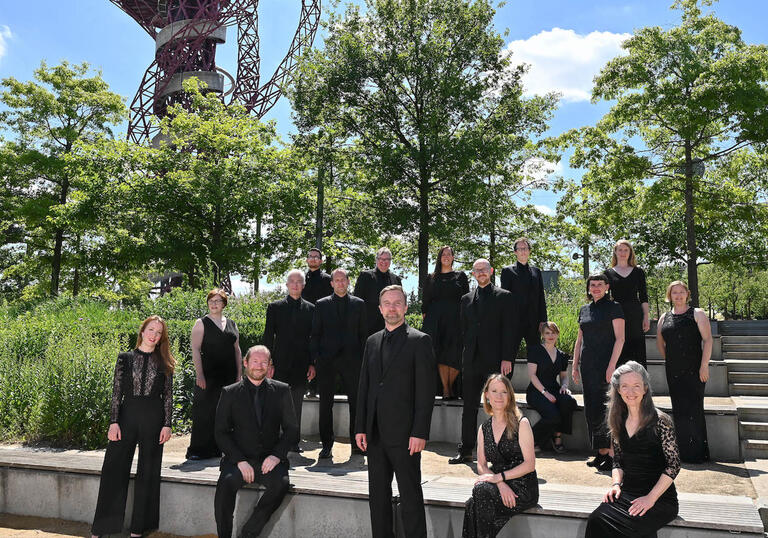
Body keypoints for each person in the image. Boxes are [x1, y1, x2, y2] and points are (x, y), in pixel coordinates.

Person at [355, 285, 437, 538]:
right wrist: (360, 427)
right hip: (375, 434)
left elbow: (426, 391)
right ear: (380, 309)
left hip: (406, 436)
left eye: (397, 302)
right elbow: (365, 387)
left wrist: (420, 431)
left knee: (410, 496)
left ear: (405, 307)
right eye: (387, 303)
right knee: (377, 498)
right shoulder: (371, 341)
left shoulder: (420, 341)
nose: (392, 307)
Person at [91, 316, 175, 538]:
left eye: (158, 332)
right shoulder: (125, 358)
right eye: (150, 329)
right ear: (142, 331)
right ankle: (101, 528)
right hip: (126, 417)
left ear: (161, 338)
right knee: (113, 469)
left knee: (148, 472)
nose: (153, 334)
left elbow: (168, 396)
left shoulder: (165, 362)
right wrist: (113, 421)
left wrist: (167, 424)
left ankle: (138, 529)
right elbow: (116, 392)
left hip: (154, 420)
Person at [585, 361, 680, 537]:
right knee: (596, 520)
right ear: (618, 391)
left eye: (636, 386)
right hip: (628, 492)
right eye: (625, 386)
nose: (631, 392)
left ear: (645, 388)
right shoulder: (618, 420)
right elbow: (618, 461)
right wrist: (615, 485)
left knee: (631, 528)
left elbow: (674, 465)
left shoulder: (661, 421)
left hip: (659, 498)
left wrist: (650, 499)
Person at [214, 345, 299, 538]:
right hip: (239, 460)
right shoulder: (229, 392)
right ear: (245, 363)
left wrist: (277, 456)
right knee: (224, 487)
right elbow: (221, 432)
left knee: (281, 484)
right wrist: (239, 460)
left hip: (269, 460)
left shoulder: (282, 390)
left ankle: (249, 533)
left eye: (264, 362)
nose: (259, 366)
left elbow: (292, 429)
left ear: (270, 366)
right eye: (255, 361)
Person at [449, 259, 515, 464]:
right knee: (468, 406)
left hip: (496, 361)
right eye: (477, 271)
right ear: (473, 274)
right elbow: (463, 331)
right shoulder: (466, 299)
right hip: (471, 361)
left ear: (491, 271)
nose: (481, 273)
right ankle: (466, 449)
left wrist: (507, 358)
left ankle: (503, 451)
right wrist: (462, 359)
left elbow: (510, 331)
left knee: (499, 406)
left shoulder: (504, 297)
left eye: (484, 270)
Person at [462, 374, 538, 538]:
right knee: (475, 500)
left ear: (510, 395)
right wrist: (500, 483)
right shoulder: (484, 428)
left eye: (503, 392)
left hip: (522, 487)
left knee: (478, 495)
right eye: (494, 391)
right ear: (487, 395)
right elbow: (481, 465)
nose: (498, 396)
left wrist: (500, 478)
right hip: (497, 485)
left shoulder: (521, 423)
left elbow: (530, 464)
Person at [311, 268, 368, 458]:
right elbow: (315, 334)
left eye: (343, 280)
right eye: (337, 280)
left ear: (348, 281)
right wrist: (317, 359)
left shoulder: (359, 304)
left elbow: (363, 336)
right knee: (325, 405)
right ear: (332, 283)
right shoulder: (321, 304)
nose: (340, 283)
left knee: (356, 404)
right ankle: (326, 445)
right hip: (327, 362)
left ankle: (357, 445)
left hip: (353, 362)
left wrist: (362, 361)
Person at [572, 274, 625, 471]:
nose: (595, 288)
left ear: (607, 287)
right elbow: (580, 340)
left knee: (607, 409)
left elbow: (620, 339)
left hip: (606, 365)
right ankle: (601, 452)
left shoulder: (614, 308)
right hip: (588, 365)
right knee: (592, 408)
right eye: (592, 285)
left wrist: (612, 366)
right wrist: (575, 364)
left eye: (599, 285)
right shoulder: (584, 309)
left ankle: (612, 454)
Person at [657, 280, 712, 463]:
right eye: (674, 293)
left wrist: (704, 366)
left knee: (694, 410)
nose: (678, 295)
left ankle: (697, 454)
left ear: (687, 293)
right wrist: (671, 360)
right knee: (679, 411)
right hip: (673, 370)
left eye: (681, 292)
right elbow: (660, 343)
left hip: (695, 369)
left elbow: (708, 341)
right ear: (669, 295)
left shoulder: (697, 313)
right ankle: (683, 453)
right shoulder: (664, 317)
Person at [263, 269, 316, 453]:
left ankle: (293, 442)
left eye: (299, 281)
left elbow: (313, 339)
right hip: (279, 364)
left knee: (296, 405)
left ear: (303, 285)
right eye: (292, 281)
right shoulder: (275, 307)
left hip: (301, 365)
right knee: (276, 404)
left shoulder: (311, 309)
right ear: (286, 285)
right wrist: (267, 363)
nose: (295, 284)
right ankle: (274, 440)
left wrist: (312, 364)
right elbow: (268, 337)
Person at [422, 245, 470, 399]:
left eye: (449, 254)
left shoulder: (461, 276)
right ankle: (446, 388)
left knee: (455, 354)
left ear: (453, 257)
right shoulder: (431, 278)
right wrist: (428, 321)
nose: (446, 256)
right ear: (439, 258)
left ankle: (451, 385)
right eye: (443, 254)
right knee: (440, 355)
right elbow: (425, 302)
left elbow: (467, 299)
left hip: (456, 321)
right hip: (435, 322)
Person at [525, 322, 577, 453]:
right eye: (547, 333)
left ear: (557, 334)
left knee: (568, 401)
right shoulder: (535, 350)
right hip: (537, 390)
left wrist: (565, 385)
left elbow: (564, 376)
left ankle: (557, 435)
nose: (550, 335)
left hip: (554, 388)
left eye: (553, 332)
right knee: (553, 415)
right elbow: (532, 376)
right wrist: (545, 393)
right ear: (542, 335)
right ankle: (530, 440)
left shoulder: (562, 355)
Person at [500, 238, 547, 367]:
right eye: (520, 249)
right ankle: (506, 386)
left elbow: (540, 297)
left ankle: (536, 387)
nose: (523, 251)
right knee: (509, 356)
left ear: (529, 251)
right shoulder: (507, 271)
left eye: (525, 248)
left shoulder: (536, 272)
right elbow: (504, 299)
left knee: (535, 358)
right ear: (515, 252)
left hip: (533, 322)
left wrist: (543, 320)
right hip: (514, 322)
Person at [604, 240, 650, 368]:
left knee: (637, 352)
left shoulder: (638, 272)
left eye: (626, 250)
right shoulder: (607, 273)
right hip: (616, 315)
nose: (623, 253)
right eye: (620, 250)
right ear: (615, 252)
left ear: (630, 253)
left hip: (635, 315)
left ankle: (640, 385)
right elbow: (605, 299)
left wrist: (646, 316)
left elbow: (643, 296)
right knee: (618, 350)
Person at [354, 247, 403, 336]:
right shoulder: (365, 276)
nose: (384, 262)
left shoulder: (396, 279)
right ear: (376, 260)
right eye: (381, 259)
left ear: (390, 261)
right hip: (368, 326)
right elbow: (357, 302)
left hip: (391, 325)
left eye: (387, 259)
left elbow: (401, 302)